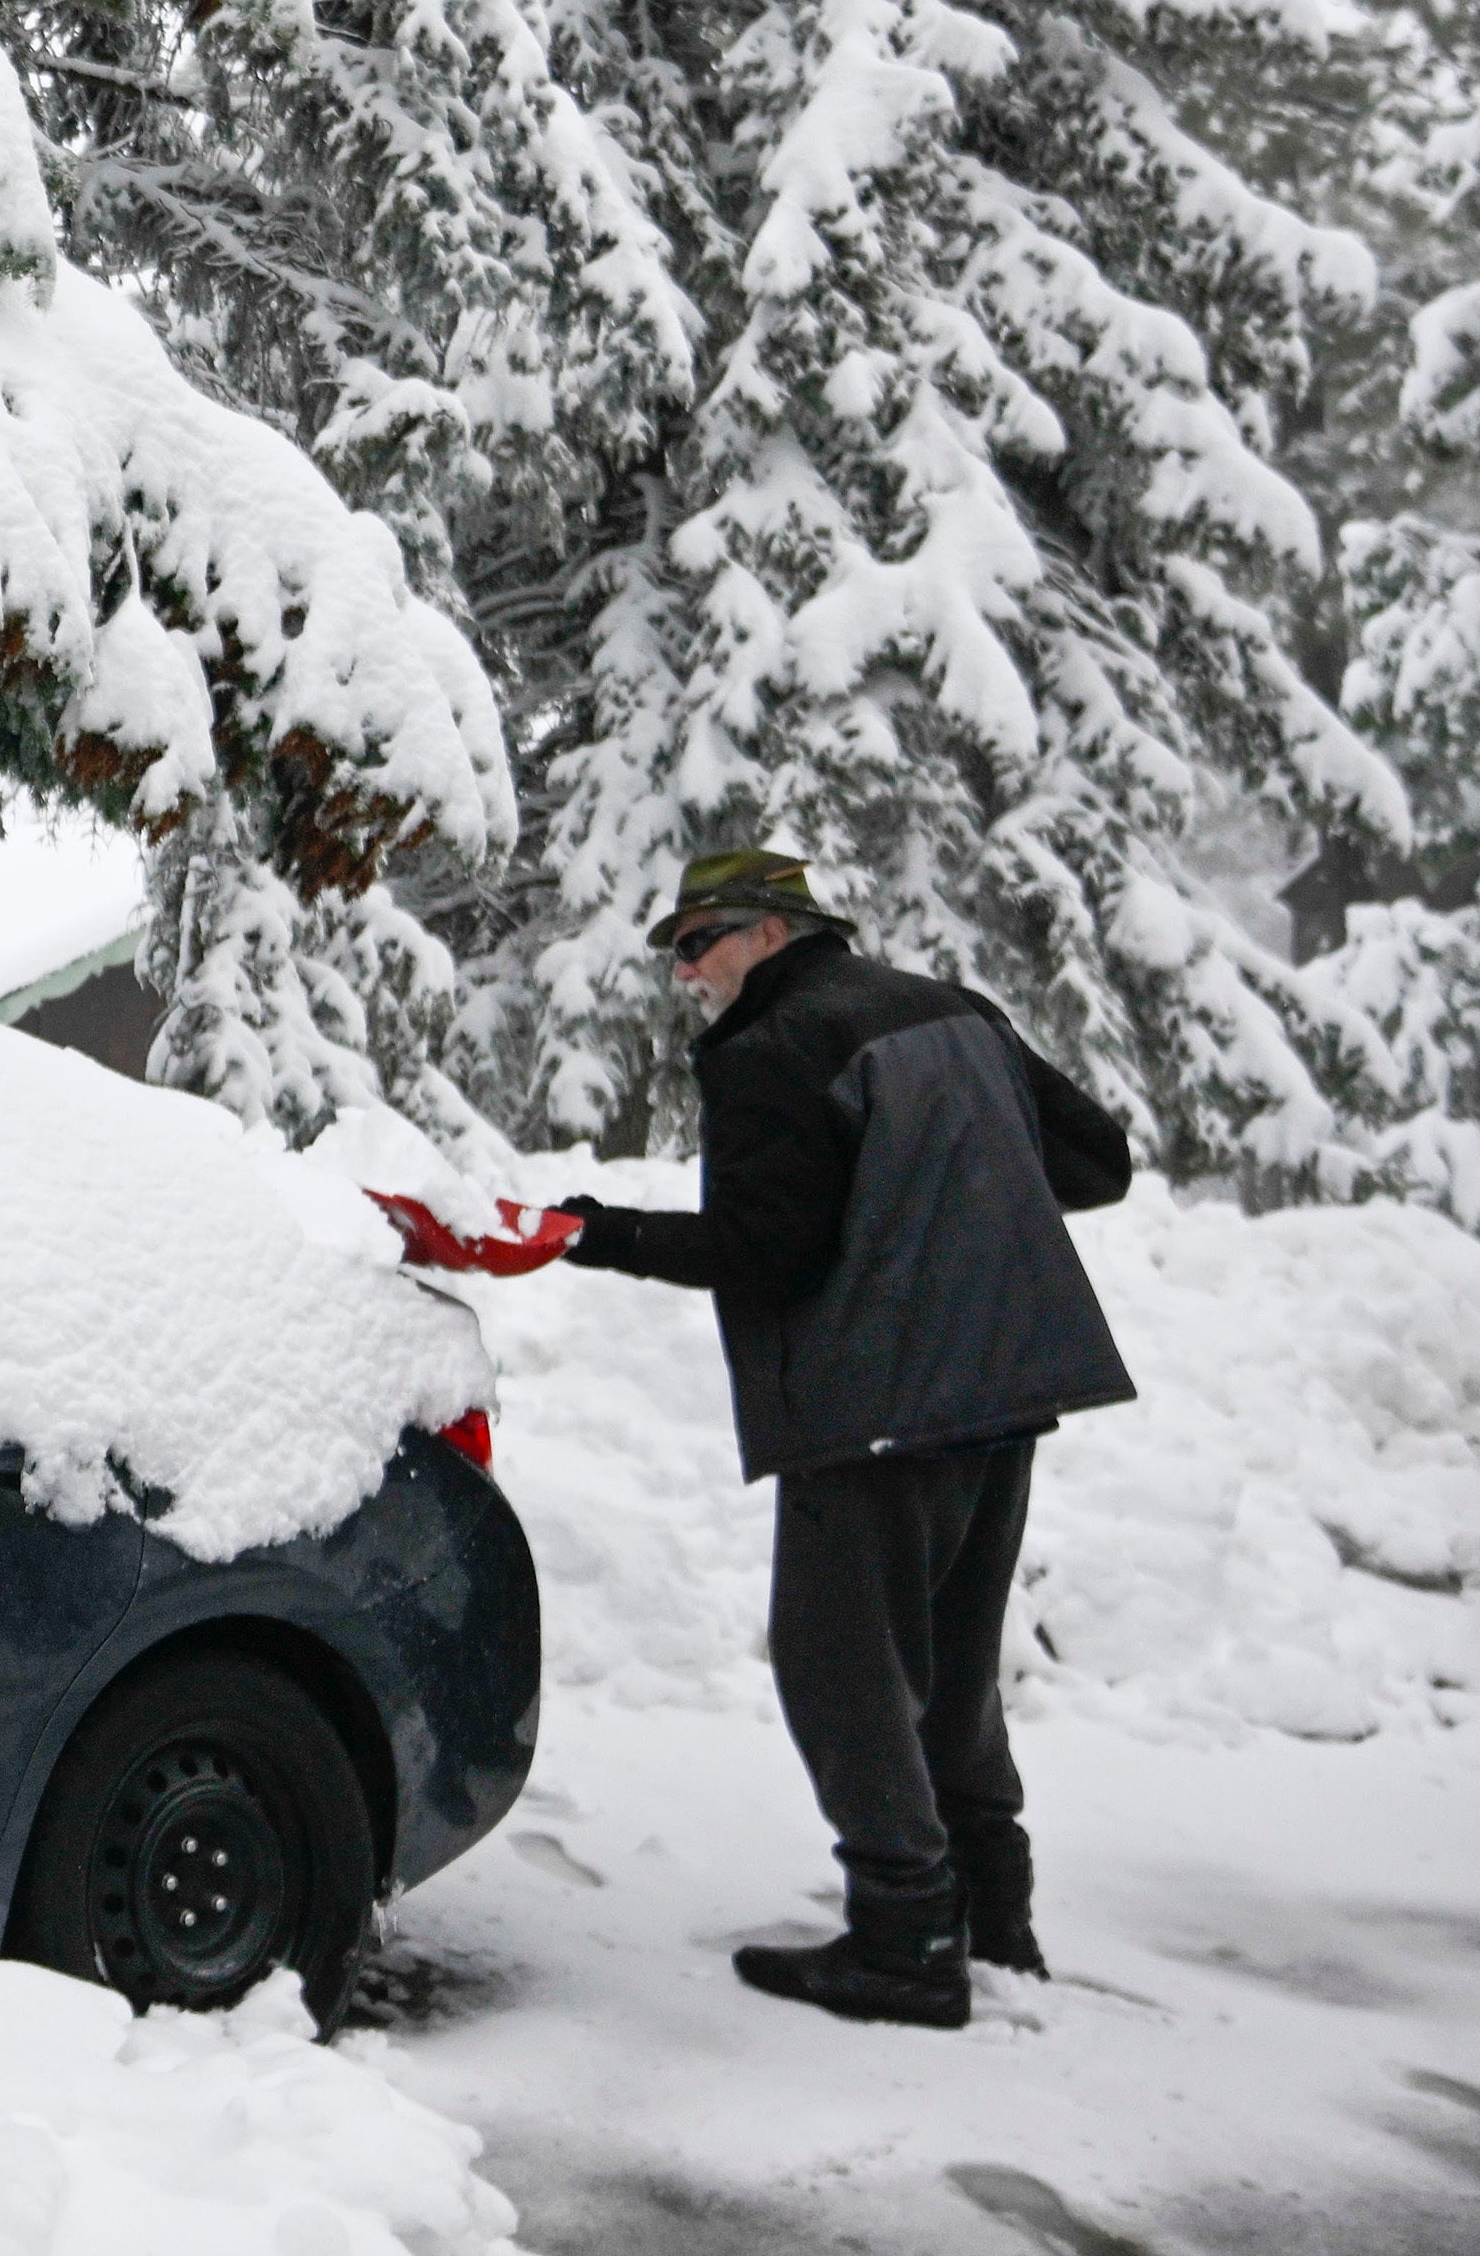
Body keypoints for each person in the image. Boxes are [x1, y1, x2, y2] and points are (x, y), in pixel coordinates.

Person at [487, 840, 1136, 2029]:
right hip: (1005, 1390)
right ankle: (997, 1917)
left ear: (771, 935)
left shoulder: (772, 1045)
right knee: (949, 1663)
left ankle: (904, 1940)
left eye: (699, 944)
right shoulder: (954, 1011)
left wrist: (593, 1232)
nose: (687, 973)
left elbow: (765, 1248)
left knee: (838, 1667)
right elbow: (1099, 1163)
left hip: (879, 1406)